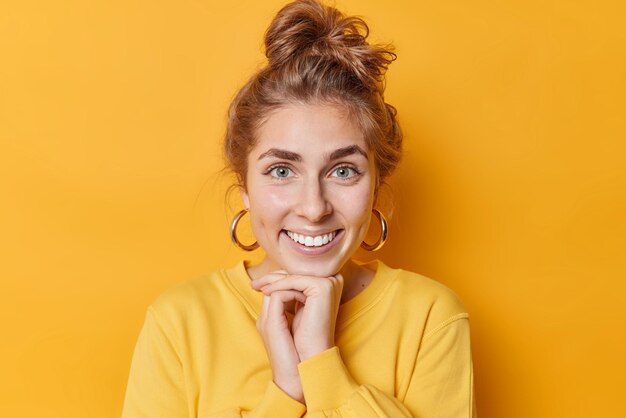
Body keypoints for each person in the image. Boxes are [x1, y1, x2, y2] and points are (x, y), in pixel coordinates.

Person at [121, 0, 476, 416]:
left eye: (343, 171)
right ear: (245, 188)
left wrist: (320, 362)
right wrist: (287, 391)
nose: (313, 207)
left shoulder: (432, 317)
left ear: (377, 186)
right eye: (281, 170)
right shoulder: (180, 322)